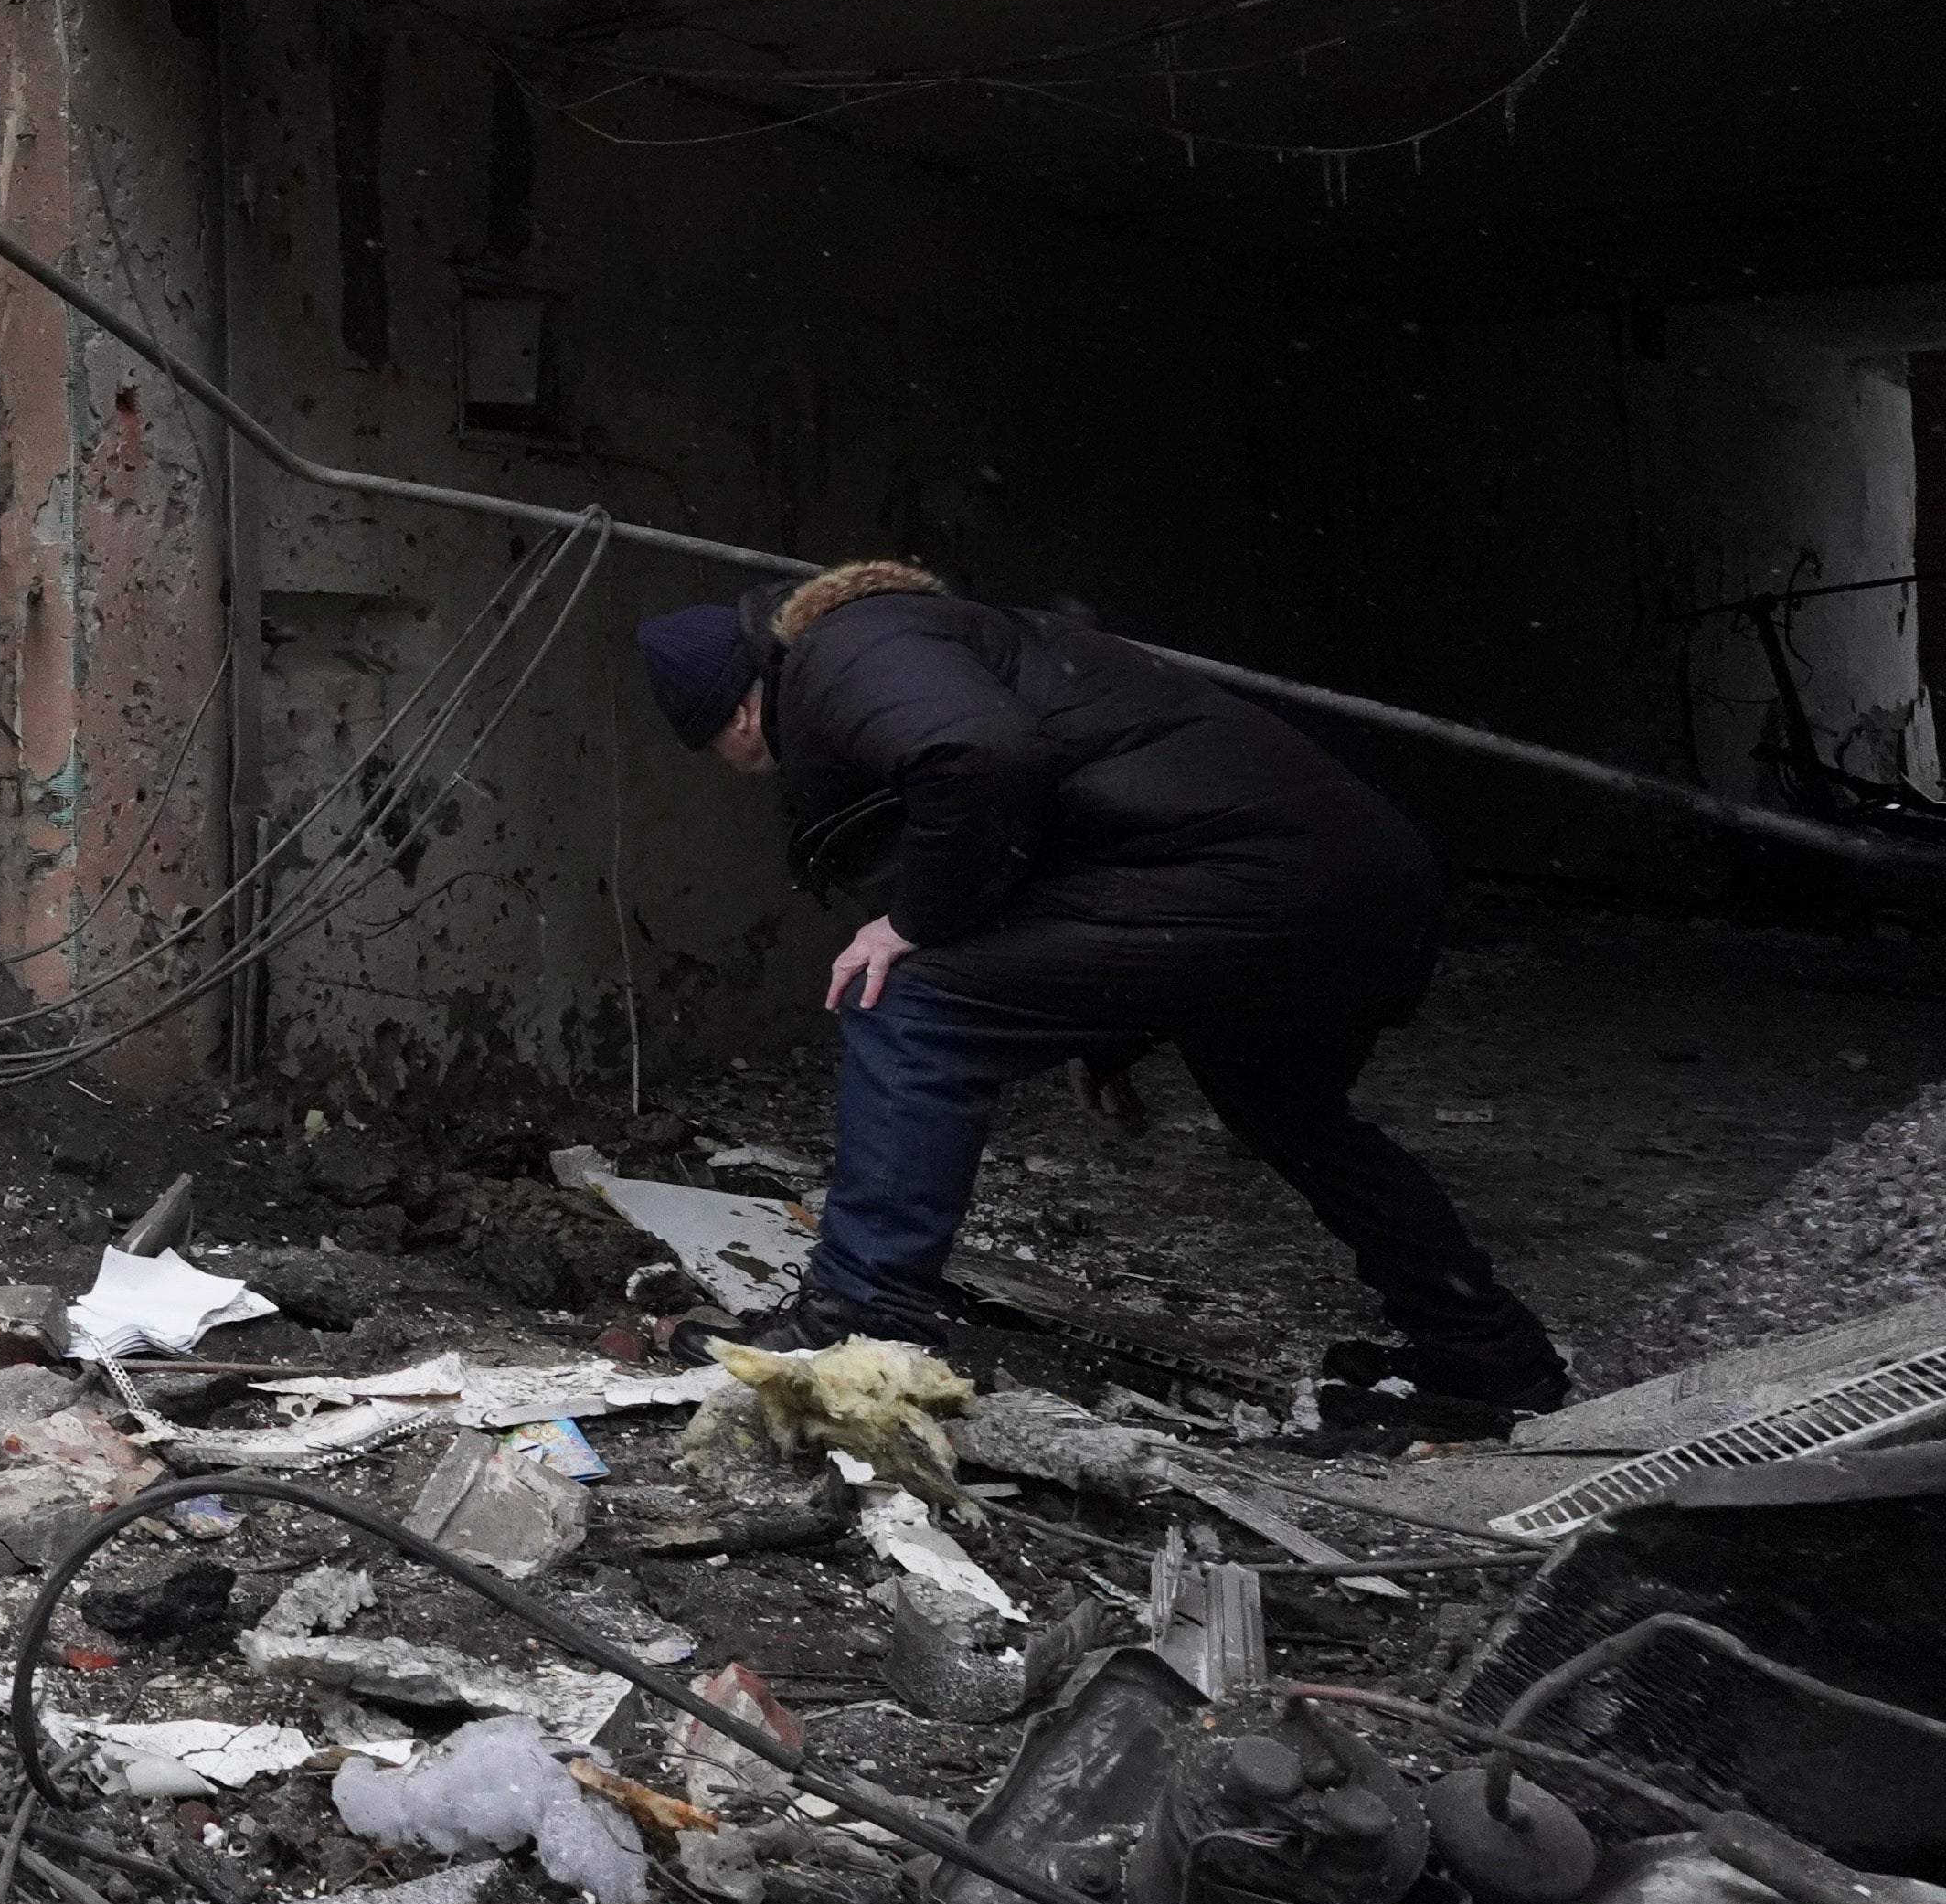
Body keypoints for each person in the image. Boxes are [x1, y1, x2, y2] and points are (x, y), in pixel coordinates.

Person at [638, 558, 1567, 1411]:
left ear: (737, 715)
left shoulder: (847, 652)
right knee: (1293, 1114)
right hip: (1348, 881)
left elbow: (983, 760)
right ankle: (1486, 1350)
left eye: (718, 749)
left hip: (1260, 882)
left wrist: (912, 920)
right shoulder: (932, 639)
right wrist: (1111, 1027)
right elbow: (1098, 832)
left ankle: (859, 1322)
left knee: (910, 997)